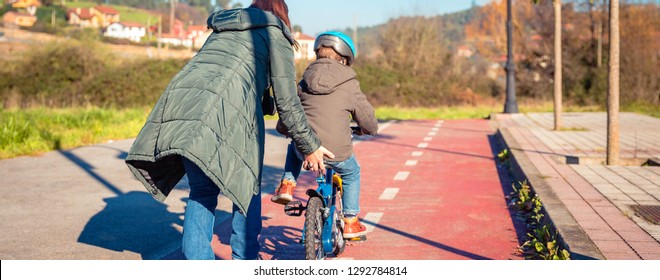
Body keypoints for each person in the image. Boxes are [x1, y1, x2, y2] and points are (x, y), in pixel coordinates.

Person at [124, 0, 334, 260]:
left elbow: (227, 75)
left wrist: (263, 100)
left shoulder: (222, 29)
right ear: (282, 15)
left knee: (201, 192)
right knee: (247, 189)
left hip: (181, 104)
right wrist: (310, 146)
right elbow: (287, 103)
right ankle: (245, 261)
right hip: (223, 113)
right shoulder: (275, 33)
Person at [271, 31, 378, 239]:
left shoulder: (304, 82)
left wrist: (285, 130)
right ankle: (350, 221)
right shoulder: (349, 83)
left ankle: (287, 185)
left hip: (306, 149)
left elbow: (291, 111)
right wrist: (368, 129)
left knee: (294, 147)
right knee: (351, 173)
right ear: (345, 59)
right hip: (338, 152)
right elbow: (367, 119)